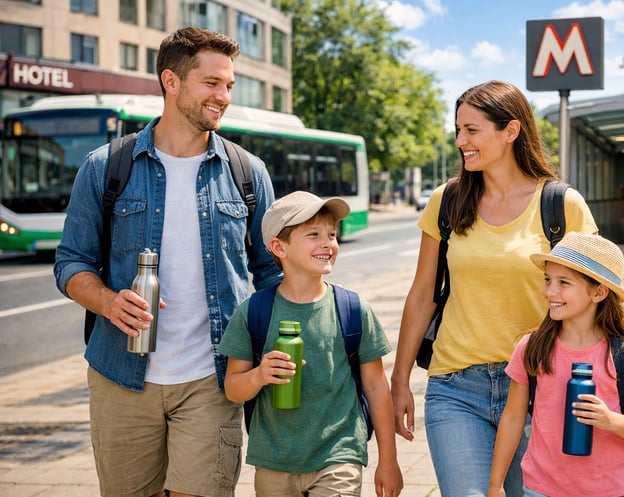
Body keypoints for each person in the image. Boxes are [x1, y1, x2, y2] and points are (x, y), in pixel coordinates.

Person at [53, 27, 282, 497]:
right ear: (171, 81)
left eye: (228, 86)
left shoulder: (247, 172)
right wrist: (107, 302)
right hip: (121, 376)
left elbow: (272, 272)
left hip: (213, 379)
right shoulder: (105, 167)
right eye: (211, 83)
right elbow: (71, 263)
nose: (223, 96)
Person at [390, 80, 598, 497]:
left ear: (511, 131)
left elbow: (594, 295)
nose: (461, 141)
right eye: (457, 130)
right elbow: (422, 295)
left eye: (472, 130)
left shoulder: (561, 205)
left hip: (538, 385)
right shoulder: (446, 201)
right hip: (455, 387)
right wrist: (398, 380)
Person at [218, 191, 403, 497]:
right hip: (274, 460)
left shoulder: (353, 310)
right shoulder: (253, 312)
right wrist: (260, 375)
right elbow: (232, 388)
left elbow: (376, 387)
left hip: (339, 455)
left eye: (331, 234)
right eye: (313, 234)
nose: (327, 243)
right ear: (279, 247)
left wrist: (389, 460)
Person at [487, 232, 624, 497]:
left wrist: (611, 420)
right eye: (548, 280)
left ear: (599, 292)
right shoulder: (532, 348)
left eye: (563, 282)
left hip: (612, 489)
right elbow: (512, 417)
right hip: (541, 488)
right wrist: (495, 484)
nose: (549, 291)